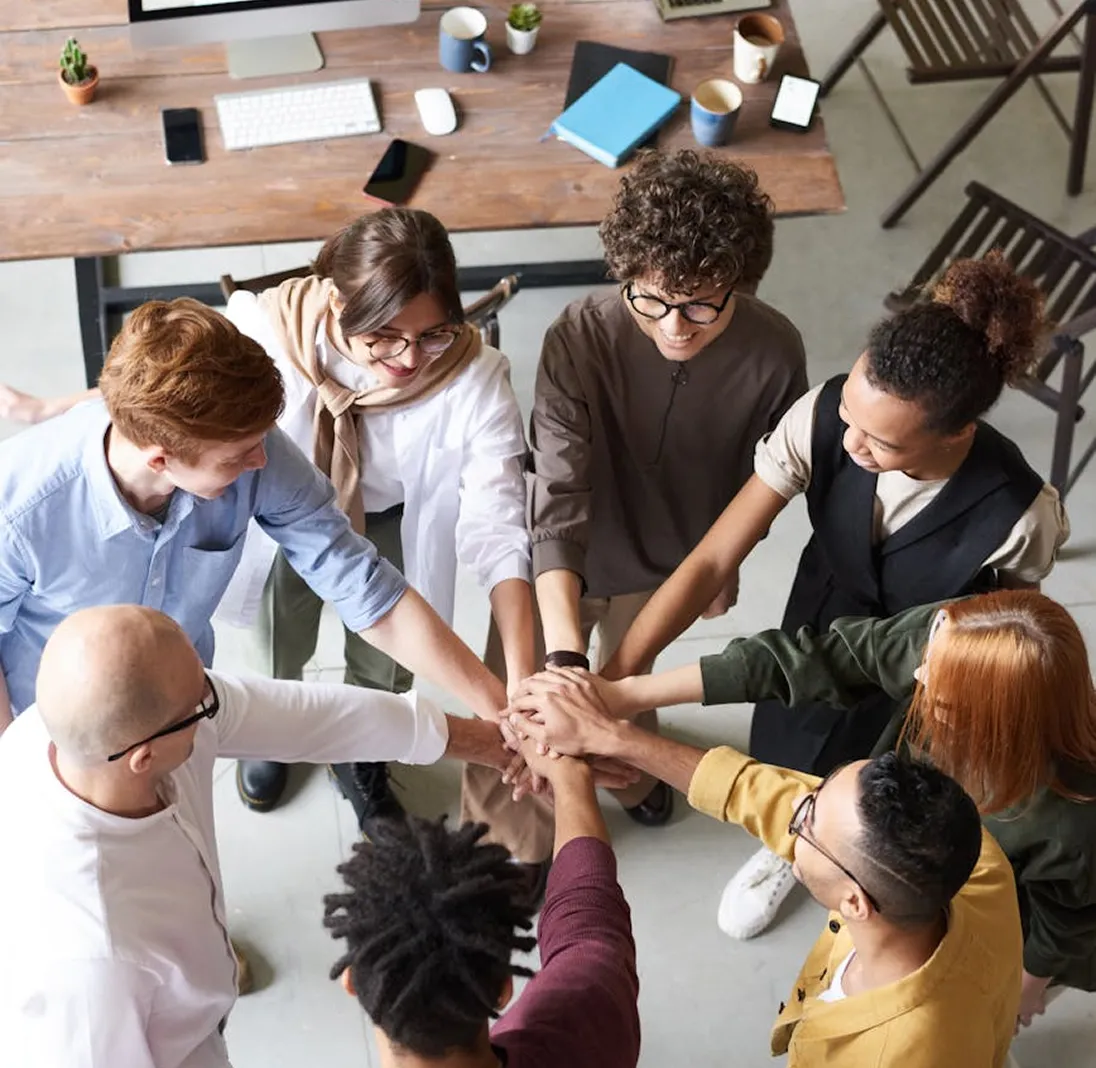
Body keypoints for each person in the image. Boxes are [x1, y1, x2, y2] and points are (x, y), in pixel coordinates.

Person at [0, 210, 535, 827]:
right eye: (236, 459)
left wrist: (500, 712)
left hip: (179, 712)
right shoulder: (22, 508)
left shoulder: (253, 446)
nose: (262, 461)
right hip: (45, 737)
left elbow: (363, 584)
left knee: (187, 862)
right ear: (161, 458)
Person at [601, 251, 1070, 939]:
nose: (850, 443)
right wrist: (618, 676)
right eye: (849, 413)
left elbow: (1005, 633)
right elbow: (710, 560)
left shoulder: (1022, 514)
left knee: (877, 791)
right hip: (819, 616)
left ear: (958, 433)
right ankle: (788, 843)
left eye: (879, 442)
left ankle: (843, 863)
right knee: (788, 738)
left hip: (919, 674)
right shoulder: (822, 417)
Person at [462, 147, 809, 869]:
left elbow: (760, 486)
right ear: (625, 273)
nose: (675, 326)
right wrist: (563, 661)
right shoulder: (578, 336)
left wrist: (721, 571)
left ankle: (631, 778)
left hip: (675, 560)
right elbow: (556, 501)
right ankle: (513, 840)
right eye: (650, 299)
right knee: (524, 695)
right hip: (565, 564)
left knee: (630, 690)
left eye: (701, 304)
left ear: (739, 283)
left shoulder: (776, 352)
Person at [0, 605, 513, 1068]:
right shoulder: (94, 966)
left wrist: (490, 743)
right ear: (143, 757)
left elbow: (310, 717)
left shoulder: (110, 728)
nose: (214, 702)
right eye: (200, 705)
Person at [573, 588, 1096, 1035]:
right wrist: (622, 697)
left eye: (942, 692)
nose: (917, 672)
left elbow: (1066, 922)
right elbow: (819, 658)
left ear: (996, 721)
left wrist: (1026, 984)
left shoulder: (1071, 817)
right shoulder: (956, 636)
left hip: (1001, 934)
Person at [507, 673, 1022, 1068]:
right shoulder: (973, 863)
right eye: (816, 790)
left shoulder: (894, 1054)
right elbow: (763, 792)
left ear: (855, 903)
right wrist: (614, 737)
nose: (793, 807)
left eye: (807, 819)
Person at [214, 208, 533, 821]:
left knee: (388, 658)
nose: (410, 359)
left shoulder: (476, 375)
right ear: (336, 302)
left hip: (391, 514)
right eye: (384, 337)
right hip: (282, 512)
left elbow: (498, 522)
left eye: (433, 334)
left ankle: (365, 747)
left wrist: (515, 678)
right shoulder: (264, 330)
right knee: (277, 633)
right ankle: (277, 729)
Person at [324, 736, 640, 1068]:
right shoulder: (592, 1005)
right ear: (503, 990)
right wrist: (570, 779)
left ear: (351, 982)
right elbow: (589, 921)